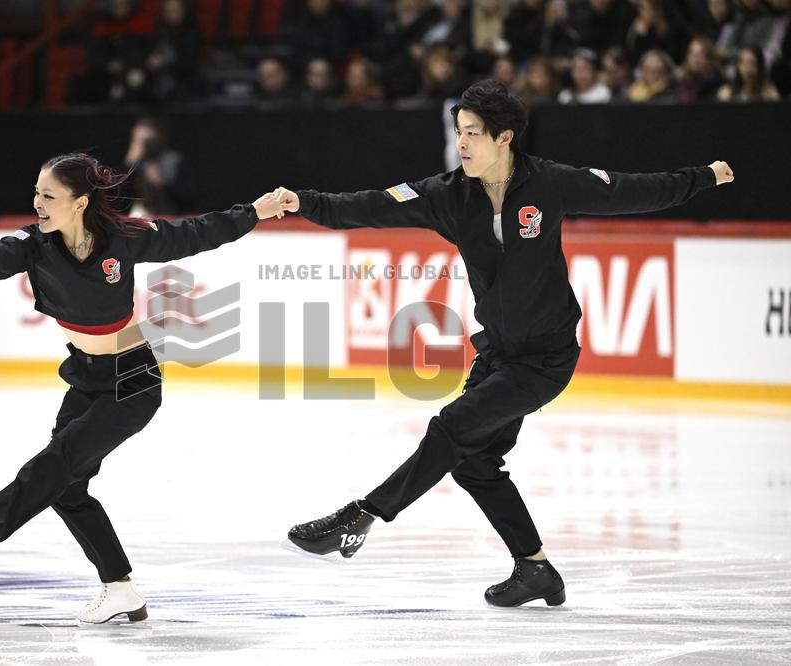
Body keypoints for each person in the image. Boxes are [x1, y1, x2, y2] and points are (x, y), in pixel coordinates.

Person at [273, 79, 733, 608]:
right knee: (472, 462)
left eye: (473, 133)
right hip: (496, 353)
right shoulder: (447, 194)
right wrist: (301, 201)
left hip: (544, 360)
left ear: (504, 137)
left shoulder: (550, 184)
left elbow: (635, 190)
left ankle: (365, 515)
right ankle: (535, 570)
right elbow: (369, 205)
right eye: (459, 132)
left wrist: (704, 177)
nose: (462, 143)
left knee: (450, 428)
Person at [0, 153, 281, 623]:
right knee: (65, 489)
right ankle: (120, 588)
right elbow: (1, 255)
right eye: (36, 193)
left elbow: (194, 234)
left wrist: (254, 212)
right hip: (87, 374)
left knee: (59, 460)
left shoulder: (123, 239)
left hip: (133, 380)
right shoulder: (35, 243)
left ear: (80, 202)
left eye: (49, 195)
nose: (37, 203)